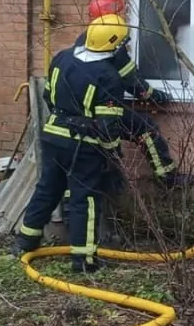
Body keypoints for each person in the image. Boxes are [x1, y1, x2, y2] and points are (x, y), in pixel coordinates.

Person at [14, 14, 136, 273]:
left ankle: (25, 241)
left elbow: (48, 96)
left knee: (47, 189)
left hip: (52, 135)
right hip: (84, 147)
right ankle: (84, 260)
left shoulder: (62, 57)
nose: (125, 47)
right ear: (114, 45)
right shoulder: (109, 76)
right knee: (85, 199)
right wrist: (113, 154)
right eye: (123, 43)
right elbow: (107, 127)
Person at [68, 0, 194, 189]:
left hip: (81, 111)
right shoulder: (112, 42)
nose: (123, 18)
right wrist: (156, 96)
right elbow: (131, 81)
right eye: (119, 13)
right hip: (102, 109)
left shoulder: (84, 39)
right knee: (144, 127)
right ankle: (167, 177)